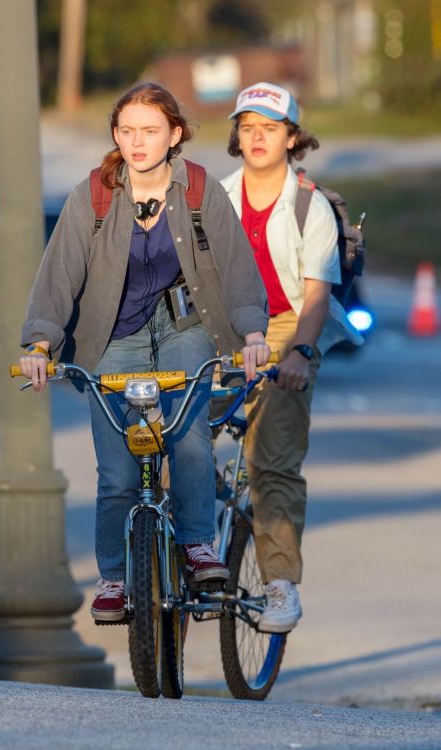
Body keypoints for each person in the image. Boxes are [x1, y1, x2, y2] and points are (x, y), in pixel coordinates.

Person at [19, 82, 271, 623]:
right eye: (127, 130)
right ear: (115, 134)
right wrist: (41, 343)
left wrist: (252, 335)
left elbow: (237, 270)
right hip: (112, 333)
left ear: (174, 135)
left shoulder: (199, 189)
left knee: (189, 441)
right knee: (117, 473)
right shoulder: (95, 194)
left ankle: (199, 545)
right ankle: (113, 577)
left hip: (184, 325)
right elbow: (59, 274)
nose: (138, 141)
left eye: (150, 130)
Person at [222, 82, 362, 633]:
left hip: (288, 325)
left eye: (270, 128)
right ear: (237, 135)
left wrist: (300, 352)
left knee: (272, 459)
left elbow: (316, 297)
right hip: (225, 326)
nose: (257, 138)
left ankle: (279, 582)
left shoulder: (310, 206)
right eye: (248, 127)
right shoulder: (216, 199)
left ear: (292, 137)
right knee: (160, 433)